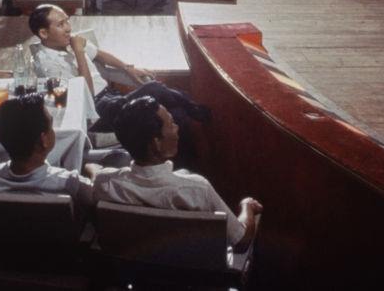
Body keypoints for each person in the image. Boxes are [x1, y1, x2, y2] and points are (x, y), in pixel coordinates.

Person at [93, 96, 262, 251]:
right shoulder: (197, 188)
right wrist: (246, 205)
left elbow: (97, 175)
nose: (177, 128)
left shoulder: (104, 183)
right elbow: (241, 241)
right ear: (156, 143)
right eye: (172, 123)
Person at [28, 4, 209, 137]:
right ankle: (197, 109)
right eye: (61, 24)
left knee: (176, 114)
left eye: (67, 21)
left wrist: (128, 68)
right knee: (154, 89)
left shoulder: (67, 42)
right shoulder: (47, 65)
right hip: (96, 112)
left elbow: (101, 55)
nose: (68, 28)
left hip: (110, 97)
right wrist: (79, 52)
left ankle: (182, 161)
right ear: (44, 33)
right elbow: (86, 95)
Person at [0, 93, 96, 209]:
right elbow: (97, 194)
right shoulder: (68, 183)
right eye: (51, 125)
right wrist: (93, 171)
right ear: (43, 140)